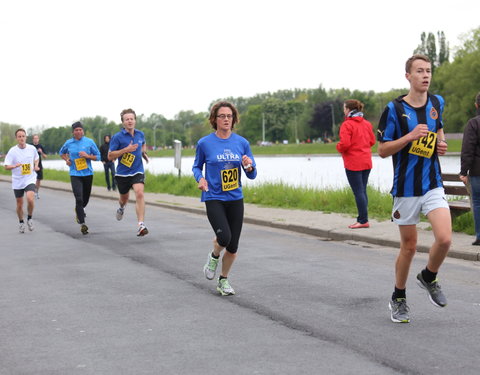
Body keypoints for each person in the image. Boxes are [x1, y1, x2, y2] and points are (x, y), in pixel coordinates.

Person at [377, 54, 451, 323]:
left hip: (432, 183)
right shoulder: (394, 109)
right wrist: (409, 137)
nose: (425, 75)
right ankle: (398, 297)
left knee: (444, 238)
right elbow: (383, 150)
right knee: (409, 247)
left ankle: (429, 275)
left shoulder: (436, 102)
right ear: (408, 76)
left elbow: (439, 132)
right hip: (406, 189)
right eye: (419, 71)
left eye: (428, 71)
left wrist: (441, 144)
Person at [192, 101, 257, 296]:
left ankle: (223, 280)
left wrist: (249, 166)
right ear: (215, 119)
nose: (226, 119)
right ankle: (213, 256)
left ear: (233, 119)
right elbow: (196, 167)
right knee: (224, 237)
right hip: (214, 196)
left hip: (235, 197)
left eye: (229, 116)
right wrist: (201, 178)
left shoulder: (241, 143)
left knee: (233, 246)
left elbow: (252, 174)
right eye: (222, 116)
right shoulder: (205, 143)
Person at [108, 108, 149, 237]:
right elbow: (110, 156)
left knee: (139, 193)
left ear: (135, 121)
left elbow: (143, 144)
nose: (130, 121)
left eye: (132, 119)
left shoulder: (140, 134)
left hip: (137, 170)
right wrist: (126, 150)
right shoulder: (117, 137)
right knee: (124, 199)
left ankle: (141, 225)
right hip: (122, 173)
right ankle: (121, 207)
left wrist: (143, 153)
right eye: (127, 119)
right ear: (123, 122)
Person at [336, 99, 375, 229]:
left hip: (353, 163)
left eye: (344, 108)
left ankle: (363, 220)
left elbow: (345, 144)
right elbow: (372, 141)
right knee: (362, 191)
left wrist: (338, 147)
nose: (344, 111)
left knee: (358, 192)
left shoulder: (347, 125)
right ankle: (363, 218)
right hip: (366, 161)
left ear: (348, 110)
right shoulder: (367, 124)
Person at [59, 121, 101, 235]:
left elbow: (98, 156)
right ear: (73, 132)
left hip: (87, 174)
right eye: (76, 130)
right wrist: (67, 160)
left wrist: (87, 156)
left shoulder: (89, 142)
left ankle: (79, 210)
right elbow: (61, 153)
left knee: (85, 199)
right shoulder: (69, 143)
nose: (78, 131)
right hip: (75, 174)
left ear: (83, 131)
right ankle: (83, 223)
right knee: (79, 198)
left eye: (80, 129)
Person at [4, 129, 39, 233]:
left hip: (30, 178)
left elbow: (36, 158)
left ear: (26, 137)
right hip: (17, 180)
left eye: (23, 136)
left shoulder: (32, 148)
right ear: (16, 138)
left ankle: (29, 218)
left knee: (30, 199)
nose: (21, 138)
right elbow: (6, 166)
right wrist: (14, 166)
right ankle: (21, 222)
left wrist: (36, 166)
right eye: (19, 136)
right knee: (19, 204)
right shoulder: (12, 151)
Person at [460, 92, 480, 245]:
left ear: (476, 105)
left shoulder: (473, 124)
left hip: (477, 171)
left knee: (478, 202)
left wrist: (463, 171)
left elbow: (468, 149)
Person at [32, 134, 47, 199]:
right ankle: (31, 191)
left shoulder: (40, 146)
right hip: (31, 165)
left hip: (39, 165)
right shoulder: (30, 146)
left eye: (37, 138)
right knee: (31, 179)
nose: (35, 139)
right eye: (34, 138)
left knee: (38, 179)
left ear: (38, 139)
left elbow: (45, 157)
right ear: (33, 139)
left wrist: (41, 152)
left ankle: (36, 192)